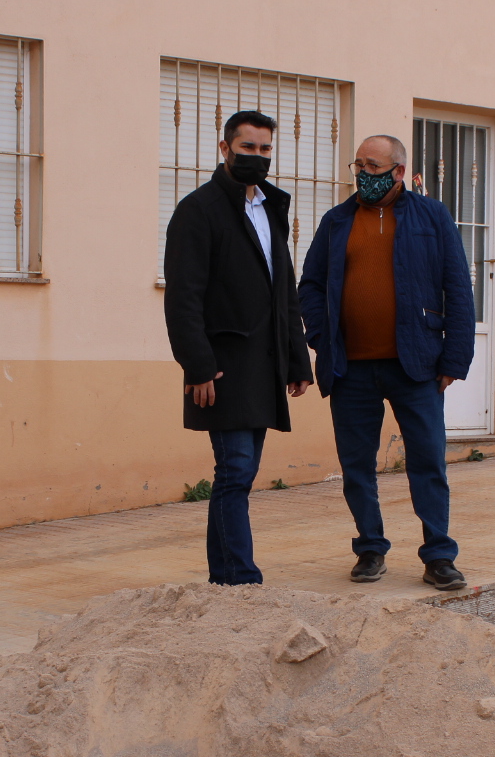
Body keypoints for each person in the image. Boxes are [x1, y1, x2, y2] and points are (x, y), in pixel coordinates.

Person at [298, 135, 474, 591]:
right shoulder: (336, 221)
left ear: (397, 171)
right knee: (357, 465)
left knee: (428, 462)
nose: (362, 175)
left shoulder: (431, 217)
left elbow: (457, 288)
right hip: (350, 367)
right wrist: (321, 336)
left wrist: (454, 357)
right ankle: (370, 548)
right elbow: (311, 285)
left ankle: (439, 556)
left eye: (371, 166)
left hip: (415, 365)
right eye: (358, 165)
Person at [163, 111, 312, 585]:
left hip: (263, 367)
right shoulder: (198, 210)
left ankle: (232, 573)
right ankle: (235, 577)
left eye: (265, 150)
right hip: (223, 369)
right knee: (234, 470)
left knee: (242, 474)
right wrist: (198, 367)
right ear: (225, 149)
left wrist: (296, 358)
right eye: (248, 148)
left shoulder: (270, 208)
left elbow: (282, 289)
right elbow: (184, 297)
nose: (257, 157)